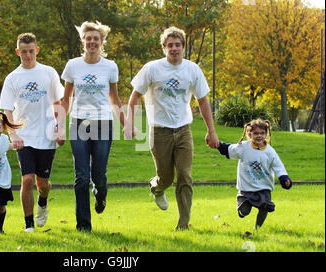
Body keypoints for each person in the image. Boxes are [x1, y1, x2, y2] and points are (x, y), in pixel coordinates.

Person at [124, 26, 219, 231]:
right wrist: (130, 123)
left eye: (177, 45)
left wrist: (211, 130)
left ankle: (183, 225)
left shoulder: (192, 69)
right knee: (166, 177)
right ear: (164, 48)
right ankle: (157, 187)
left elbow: (202, 101)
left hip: (183, 129)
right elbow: (134, 98)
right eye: (170, 45)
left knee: (184, 175)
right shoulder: (152, 68)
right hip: (160, 130)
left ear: (183, 47)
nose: (174, 48)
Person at [60, 21, 128, 232]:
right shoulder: (73, 65)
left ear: (101, 42)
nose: (92, 42)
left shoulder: (110, 66)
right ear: (83, 40)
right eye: (88, 38)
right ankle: (83, 226)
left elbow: (115, 100)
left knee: (98, 175)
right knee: (82, 176)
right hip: (78, 122)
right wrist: (60, 126)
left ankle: (100, 194)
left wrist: (126, 124)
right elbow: (65, 99)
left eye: (96, 39)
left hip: (103, 124)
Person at [0, 33, 64, 232]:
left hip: (46, 135)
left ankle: (43, 201)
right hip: (24, 136)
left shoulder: (49, 72)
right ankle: (28, 225)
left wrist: (60, 127)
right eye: (23, 52)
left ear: (37, 50)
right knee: (27, 179)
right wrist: (14, 135)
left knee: (42, 183)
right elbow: (7, 111)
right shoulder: (12, 78)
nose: (27, 56)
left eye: (30, 51)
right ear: (18, 52)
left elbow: (57, 103)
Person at [217, 119, 292, 230]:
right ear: (249, 134)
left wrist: (284, 178)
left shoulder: (270, 151)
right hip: (246, 188)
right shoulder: (243, 147)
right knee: (244, 211)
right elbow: (229, 149)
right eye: (256, 133)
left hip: (264, 187)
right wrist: (218, 144)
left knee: (265, 207)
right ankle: (242, 211)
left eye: (262, 133)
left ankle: (257, 229)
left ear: (266, 134)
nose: (259, 136)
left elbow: (278, 166)